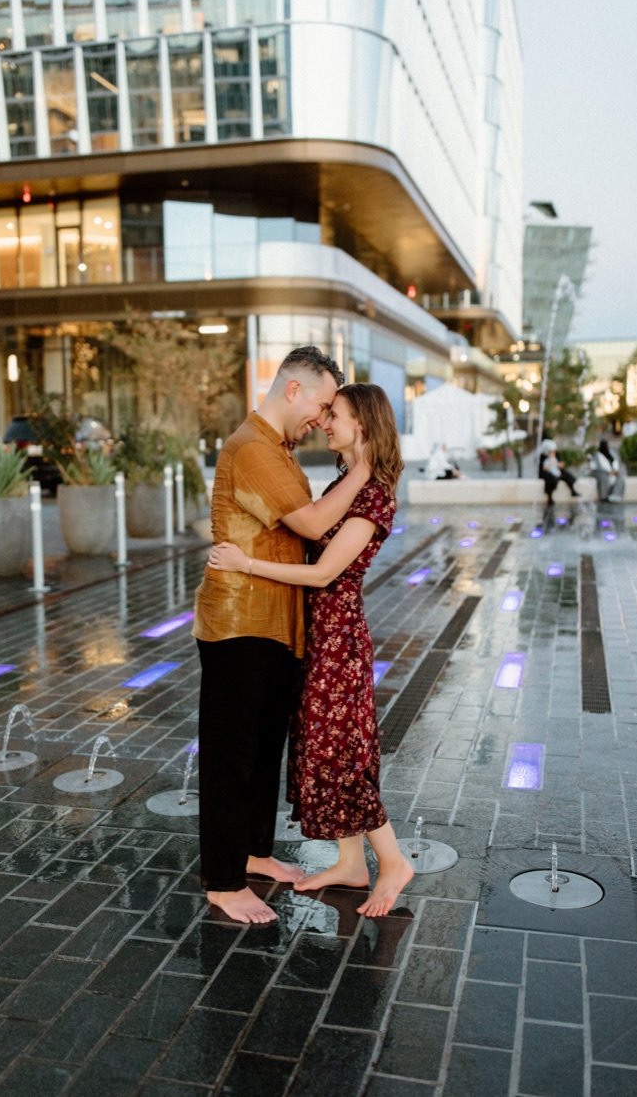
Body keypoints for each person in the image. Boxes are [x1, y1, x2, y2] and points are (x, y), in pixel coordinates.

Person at [210, 384, 416, 917]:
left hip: (337, 635)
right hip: (317, 632)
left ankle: (392, 861)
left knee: (342, 751)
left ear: (362, 426)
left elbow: (326, 571)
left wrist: (245, 564)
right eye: (325, 412)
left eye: (337, 415)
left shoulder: (373, 492)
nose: (327, 422)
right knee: (322, 748)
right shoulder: (349, 480)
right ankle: (351, 863)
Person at [191, 345, 372, 924]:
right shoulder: (251, 448)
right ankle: (223, 881)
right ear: (293, 390)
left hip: (277, 624)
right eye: (320, 404)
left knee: (264, 749)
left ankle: (253, 853)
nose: (321, 418)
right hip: (241, 622)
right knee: (232, 754)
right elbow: (314, 523)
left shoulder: (279, 449)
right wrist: (367, 469)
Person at [539, 438, 579, 505]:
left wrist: (558, 465)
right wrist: (550, 466)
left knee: (568, 476)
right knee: (551, 480)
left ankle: (573, 490)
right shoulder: (543, 457)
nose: (553, 453)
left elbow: (561, 463)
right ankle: (550, 497)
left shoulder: (556, 455)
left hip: (557, 471)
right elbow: (543, 468)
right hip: (548, 473)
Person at [593, 439, 626, 503]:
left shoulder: (612, 454)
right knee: (604, 478)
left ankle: (615, 495)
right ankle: (604, 497)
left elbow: (619, 464)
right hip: (604, 473)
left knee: (620, 478)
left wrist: (616, 471)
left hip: (614, 473)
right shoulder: (597, 455)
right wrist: (607, 472)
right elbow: (594, 468)